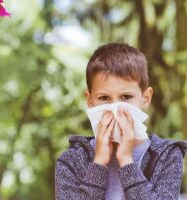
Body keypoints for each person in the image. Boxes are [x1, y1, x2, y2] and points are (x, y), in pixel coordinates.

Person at [55, 43, 187, 199]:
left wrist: (126, 161)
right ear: (90, 100)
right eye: (104, 98)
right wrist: (99, 163)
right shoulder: (71, 161)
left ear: (146, 98)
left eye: (126, 97)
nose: (115, 108)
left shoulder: (167, 156)